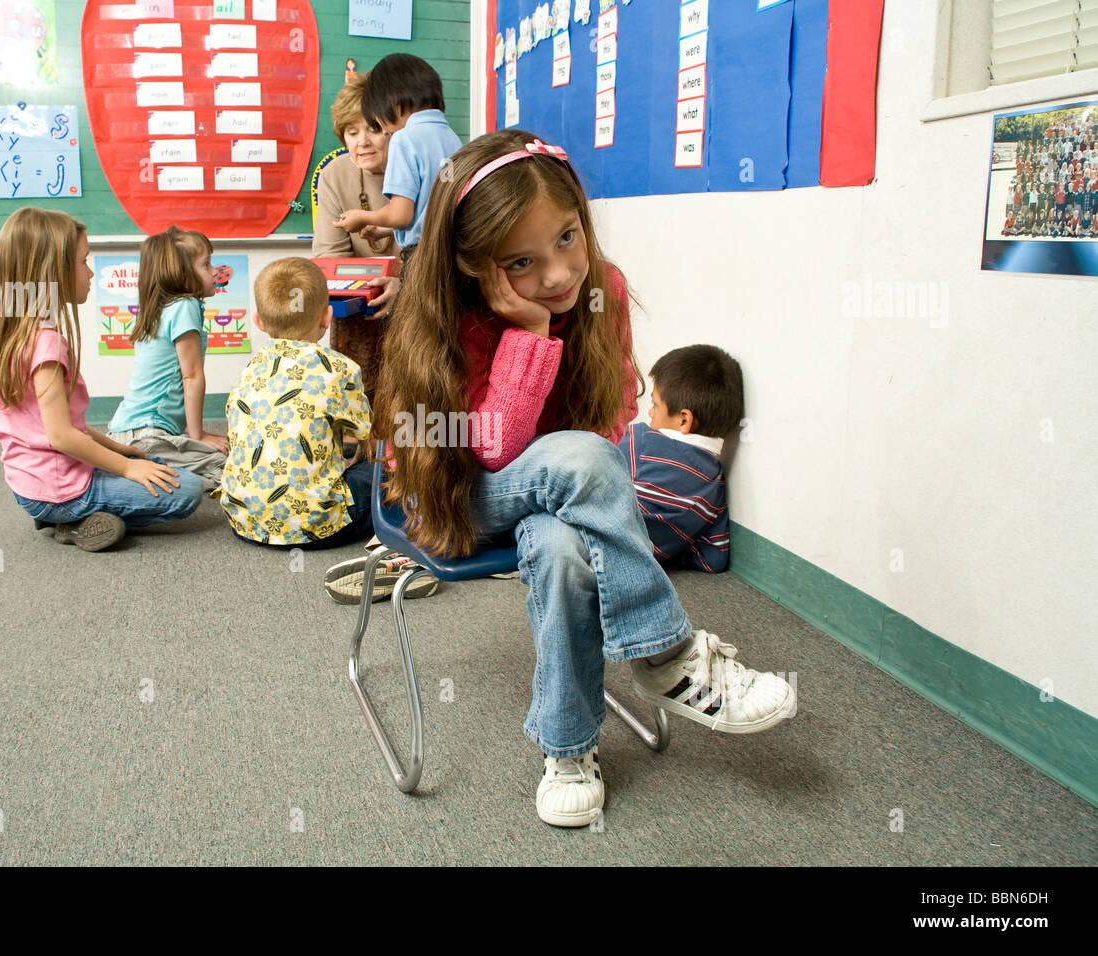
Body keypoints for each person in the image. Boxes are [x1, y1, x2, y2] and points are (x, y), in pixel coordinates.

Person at [371, 129, 796, 828]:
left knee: (561, 546)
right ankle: (667, 655)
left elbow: (609, 415)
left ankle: (567, 749)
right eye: (521, 262)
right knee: (583, 461)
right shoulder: (451, 317)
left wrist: (571, 478)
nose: (560, 274)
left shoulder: (605, 290)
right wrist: (531, 332)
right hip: (454, 492)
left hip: (557, 493)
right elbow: (494, 448)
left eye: (568, 238)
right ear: (474, 265)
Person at [0, 209, 202, 552]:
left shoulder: (18, 335)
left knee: (154, 465)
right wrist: (126, 468)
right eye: (83, 262)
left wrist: (119, 450)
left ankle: (68, 517)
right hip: (58, 489)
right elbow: (61, 435)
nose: (90, 272)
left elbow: (60, 427)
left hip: (30, 483)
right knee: (187, 491)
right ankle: (73, 520)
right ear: (52, 272)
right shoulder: (46, 344)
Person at [218, 257, 435, 594]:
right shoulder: (338, 369)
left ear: (259, 321)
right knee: (385, 466)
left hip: (245, 521)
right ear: (327, 316)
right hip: (317, 528)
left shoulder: (248, 370)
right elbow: (369, 433)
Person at [107, 227, 228, 491]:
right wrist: (199, 436)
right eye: (206, 264)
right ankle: (128, 480)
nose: (214, 271)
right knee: (226, 467)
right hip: (147, 435)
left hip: (126, 431)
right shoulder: (186, 306)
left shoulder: (161, 307)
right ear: (182, 275)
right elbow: (192, 375)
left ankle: (130, 470)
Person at [312, 75, 402, 404]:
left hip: (419, 294)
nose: (362, 142)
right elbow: (329, 257)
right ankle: (358, 437)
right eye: (352, 132)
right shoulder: (335, 174)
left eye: (374, 129)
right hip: (361, 302)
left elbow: (441, 250)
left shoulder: (425, 168)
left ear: (395, 129)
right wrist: (369, 287)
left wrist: (403, 286)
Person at [619, 345, 742, 573]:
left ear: (684, 420)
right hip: (635, 563)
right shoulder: (715, 483)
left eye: (655, 405)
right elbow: (714, 558)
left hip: (586, 539)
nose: (650, 413)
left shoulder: (640, 440)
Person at [332, 53, 462, 255]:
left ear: (391, 102)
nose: (385, 131)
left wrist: (363, 217)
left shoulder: (404, 139)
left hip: (420, 256)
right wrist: (385, 230)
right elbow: (428, 213)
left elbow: (401, 215)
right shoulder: (452, 137)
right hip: (450, 250)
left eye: (377, 123)